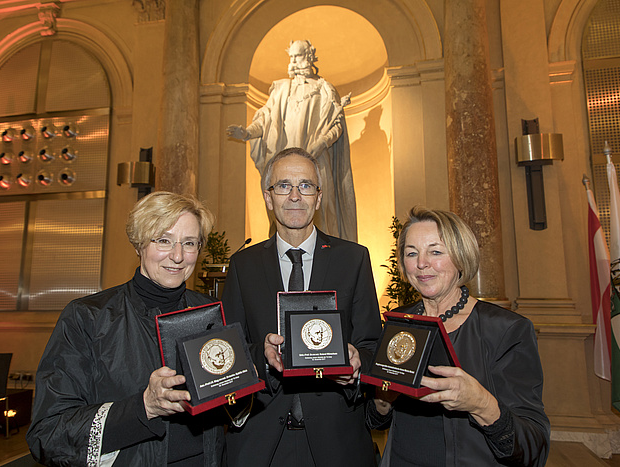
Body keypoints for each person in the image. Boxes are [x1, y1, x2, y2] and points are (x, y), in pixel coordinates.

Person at [27, 191, 225, 466]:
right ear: (139, 244)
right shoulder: (88, 317)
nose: (178, 256)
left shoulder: (210, 312)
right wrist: (143, 408)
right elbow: (48, 433)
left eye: (189, 243)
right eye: (164, 240)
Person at [222, 147, 380, 466]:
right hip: (262, 441)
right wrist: (261, 356)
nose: (295, 195)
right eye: (283, 185)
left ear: (318, 198)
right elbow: (230, 348)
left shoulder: (353, 259)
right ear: (269, 197)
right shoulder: (242, 265)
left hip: (337, 442)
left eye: (306, 185)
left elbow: (371, 343)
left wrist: (356, 362)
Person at [367, 207, 550, 466]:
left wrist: (481, 404)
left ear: (461, 257)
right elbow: (376, 419)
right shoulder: (397, 323)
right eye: (411, 253)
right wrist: (381, 400)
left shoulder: (506, 329)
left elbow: (534, 447)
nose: (421, 263)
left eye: (436, 251)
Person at [226, 39, 357, 242]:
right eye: (292, 57)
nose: (295, 61)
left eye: (299, 56)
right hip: (284, 167)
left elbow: (336, 126)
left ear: (310, 56)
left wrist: (321, 143)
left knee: (322, 209)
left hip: (318, 160)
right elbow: (265, 120)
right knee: (281, 210)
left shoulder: (325, 89)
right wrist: (247, 133)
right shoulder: (280, 90)